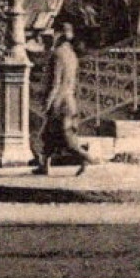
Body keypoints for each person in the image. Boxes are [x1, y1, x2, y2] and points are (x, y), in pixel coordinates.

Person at [35, 21, 99, 175]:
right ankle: (44, 166)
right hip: (69, 101)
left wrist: (48, 102)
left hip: (60, 103)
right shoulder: (71, 54)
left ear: (59, 36)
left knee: (66, 139)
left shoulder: (57, 54)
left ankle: (88, 157)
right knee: (48, 136)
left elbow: (55, 83)